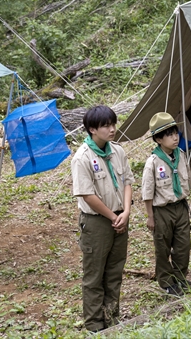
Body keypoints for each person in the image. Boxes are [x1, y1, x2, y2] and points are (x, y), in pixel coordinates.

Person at [71, 105, 134, 332]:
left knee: (115, 270)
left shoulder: (117, 151)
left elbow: (127, 181)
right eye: (106, 126)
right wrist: (112, 217)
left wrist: (125, 212)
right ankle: (95, 325)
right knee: (94, 275)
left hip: (120, 217)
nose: (112, 129)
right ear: (92, 130)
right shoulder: (82, 158)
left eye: (113, 124)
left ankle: (112, 318)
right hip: (98, 222)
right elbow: (87, 194)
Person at [142, 112, 191, 296]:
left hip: (180, 206)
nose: (175, 137)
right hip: (162, 210)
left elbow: (187, 178)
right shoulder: (153, 162)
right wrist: (150, 216)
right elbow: (147, 192)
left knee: (183, 245)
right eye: (169, 135)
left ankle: (180, 277)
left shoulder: (181, 154)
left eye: (176, 133)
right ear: (158, 139)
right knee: (162, 247)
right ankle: (165, 282)